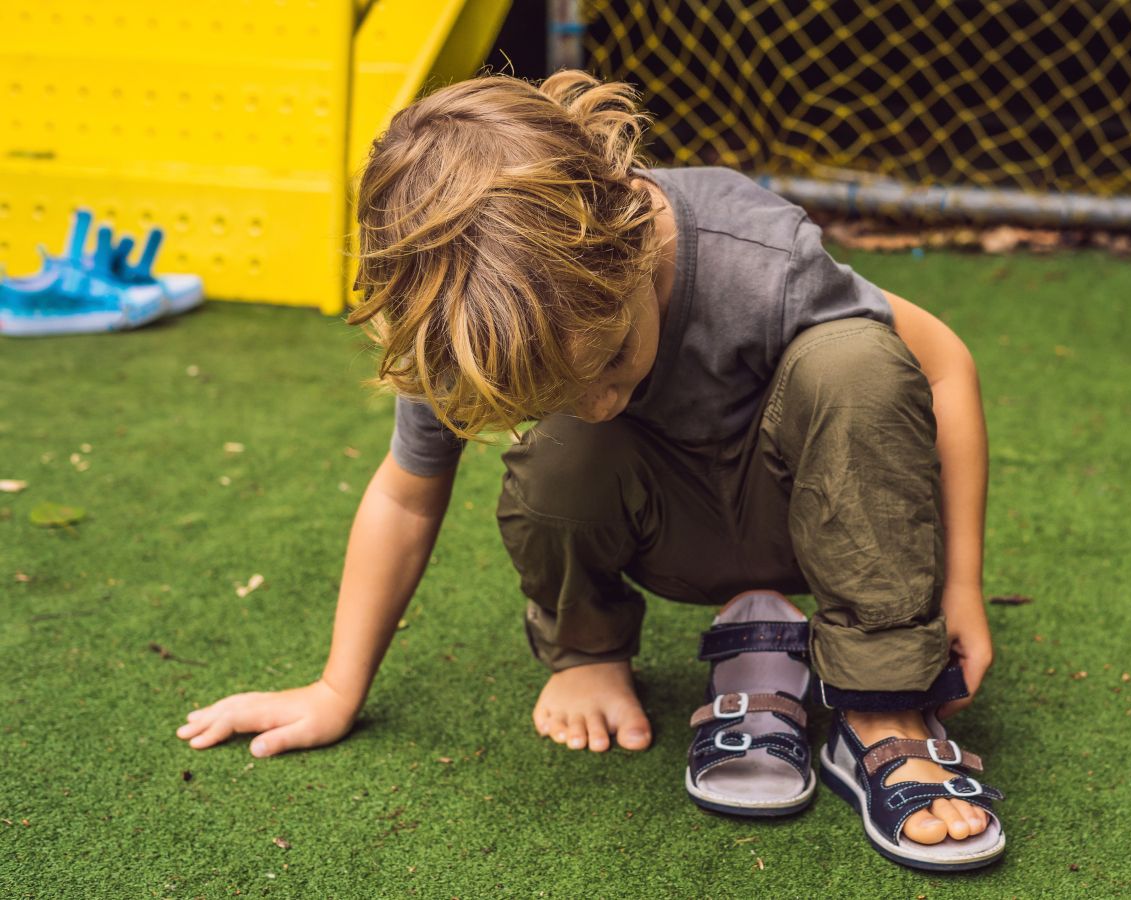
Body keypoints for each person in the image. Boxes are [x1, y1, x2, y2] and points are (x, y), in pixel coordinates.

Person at [174, 72, 1004, 870]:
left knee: (857, 361)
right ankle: (591, 650)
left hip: (814, 518)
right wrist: (334, 689)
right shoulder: (464, 317)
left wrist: (958, 584)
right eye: (562, 390)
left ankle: (886, 707)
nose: (602, 400)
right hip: (663, 529)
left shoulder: (752, 249)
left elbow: (943, 366)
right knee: (570, 451)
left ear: (635, 243)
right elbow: (405, 496)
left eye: (611, 358)